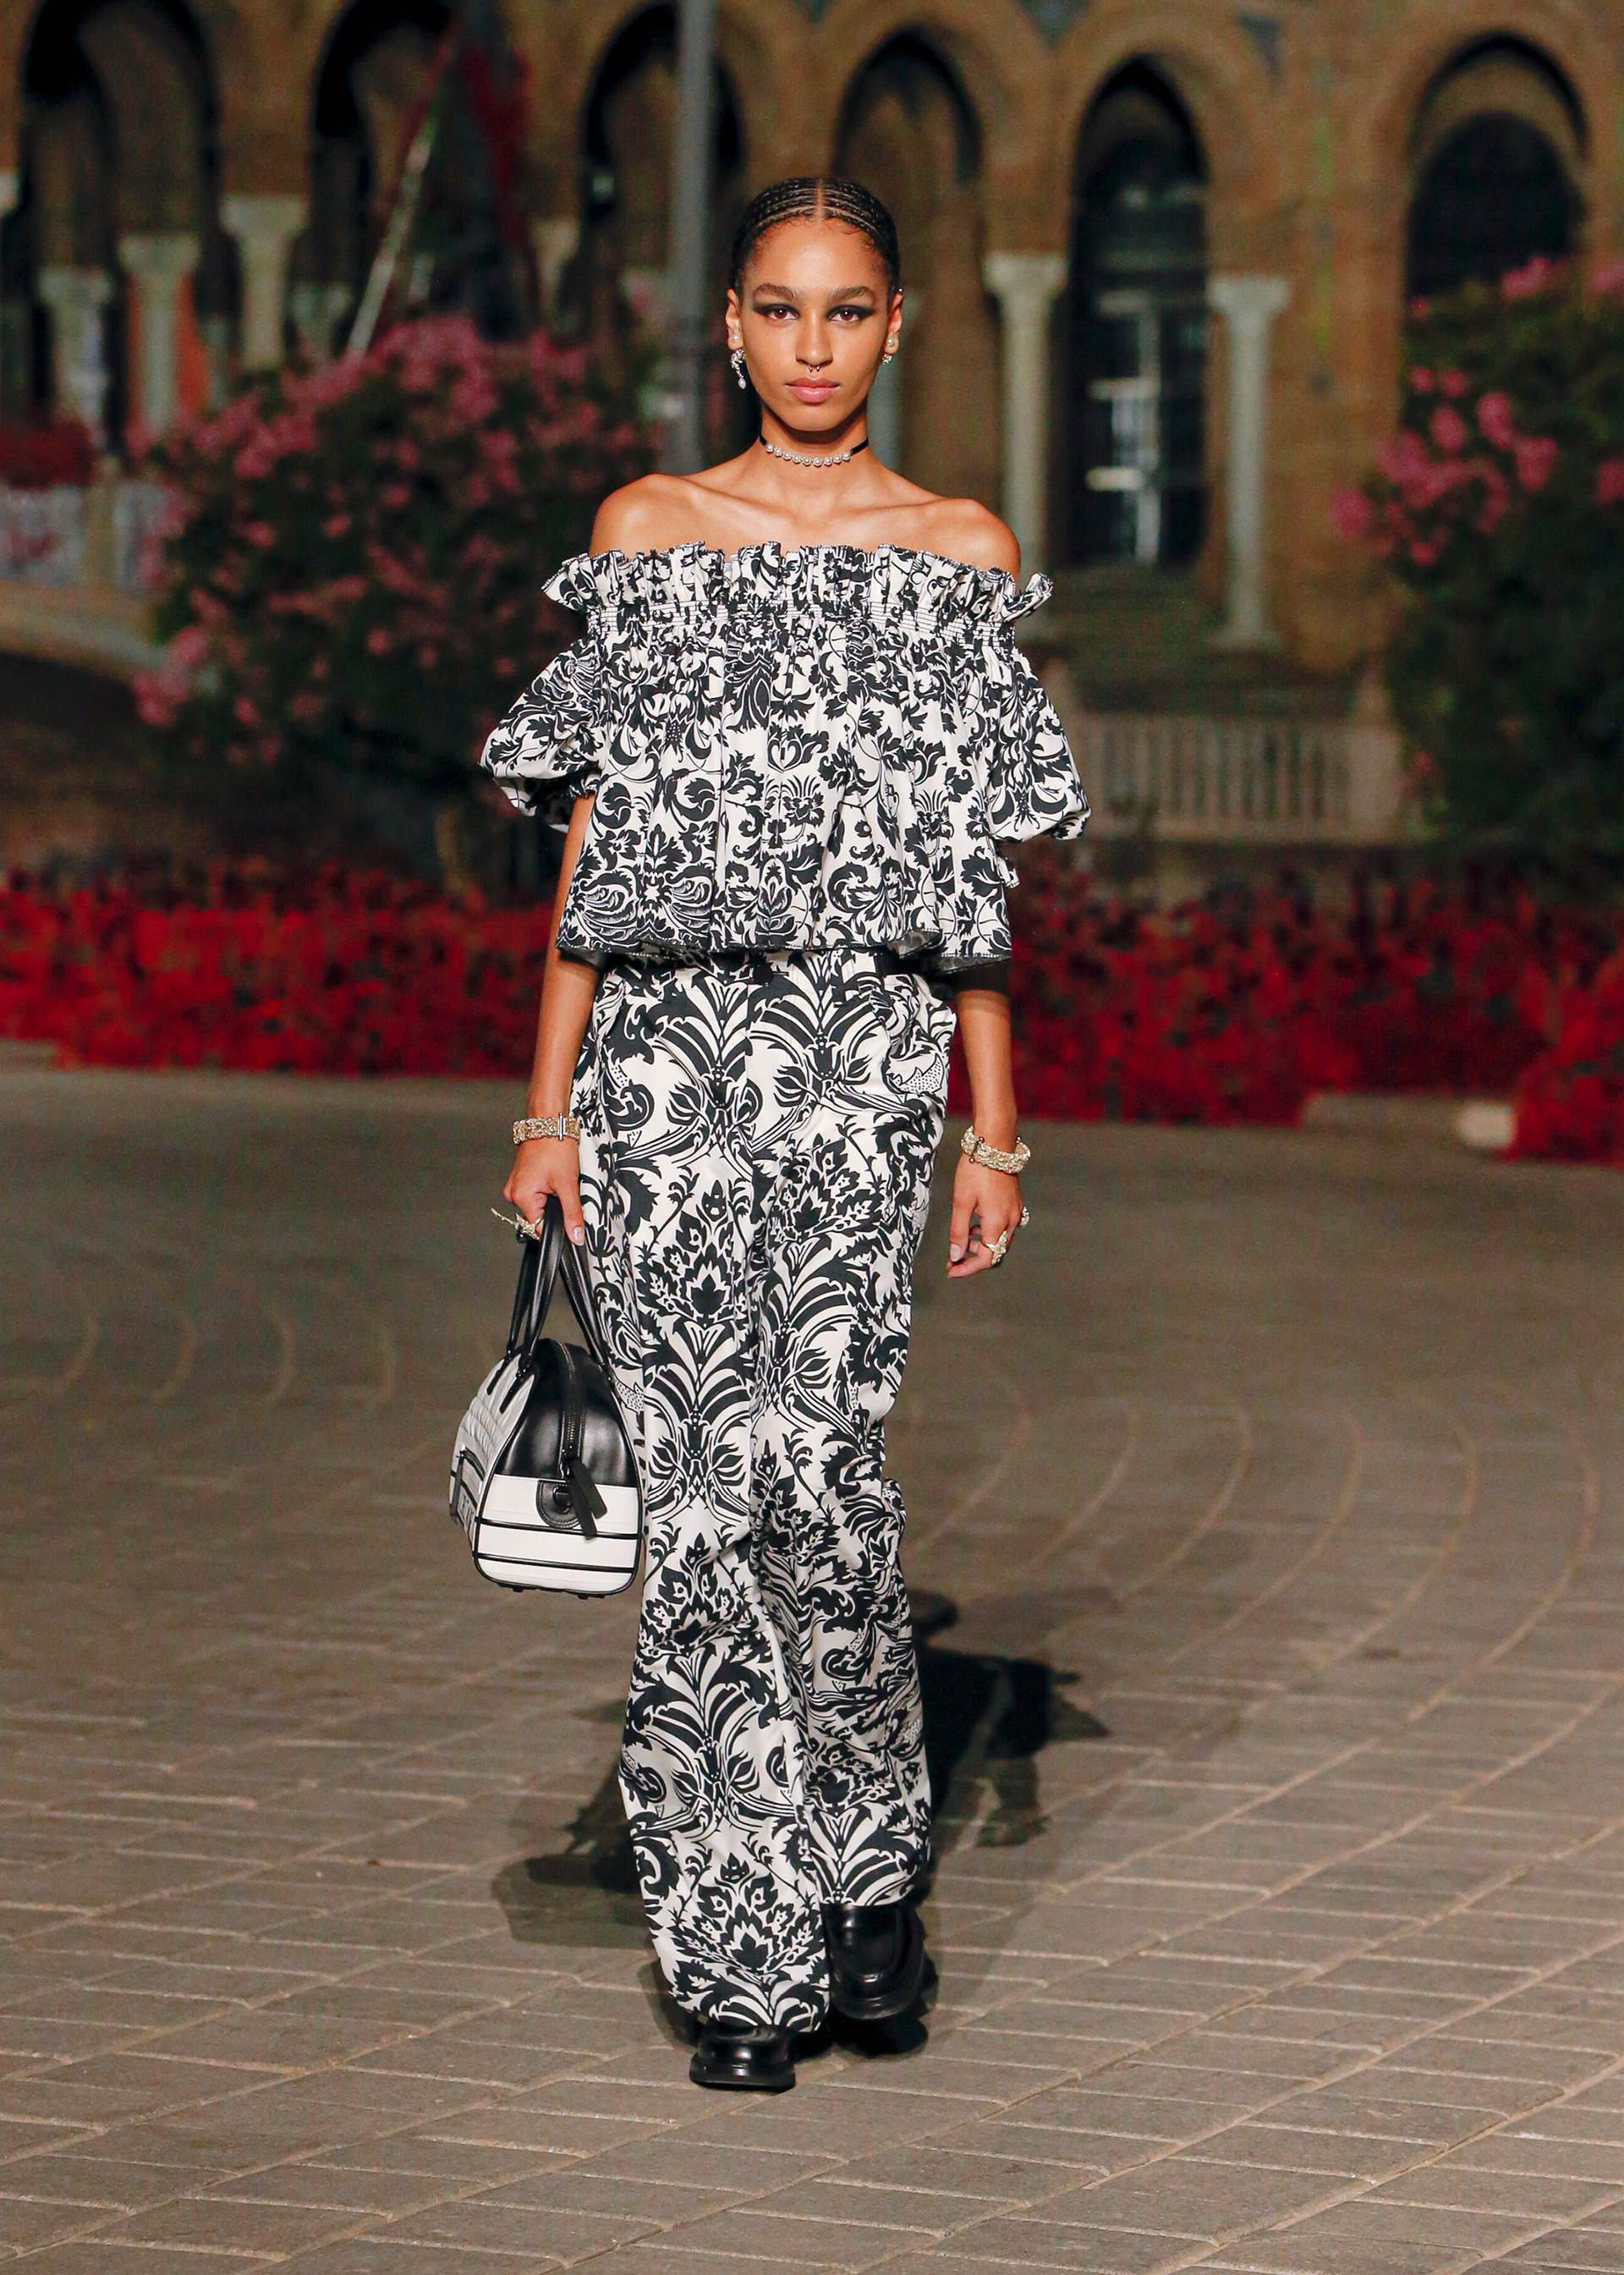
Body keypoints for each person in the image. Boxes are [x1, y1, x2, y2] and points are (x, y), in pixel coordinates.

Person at [482, 176, 1088, 2094]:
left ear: (896, 326)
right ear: (729, 328)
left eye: (844, 310)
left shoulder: (957, 553)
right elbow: (599, 841)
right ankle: (739, 1952)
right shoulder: (648, 533)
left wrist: (994, 1127)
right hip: (666, 1065)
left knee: (820, 1478)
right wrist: (549, 1107)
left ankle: (868, 1879)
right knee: (699, 1499)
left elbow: (969, 873)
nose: (810, 345)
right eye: (777, 308)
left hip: (861, 1064)